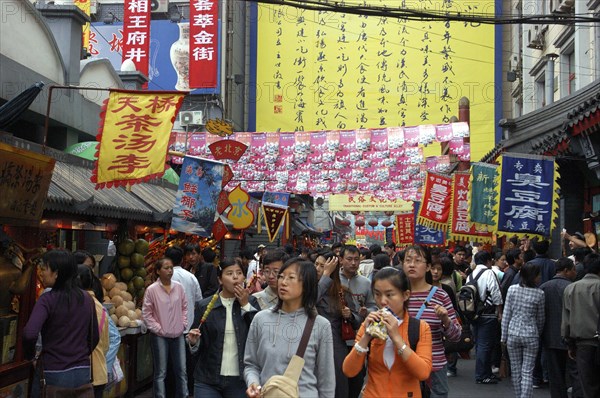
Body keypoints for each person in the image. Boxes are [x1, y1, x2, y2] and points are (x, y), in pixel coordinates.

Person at [244, 259, 335, 397]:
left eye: (291, 277)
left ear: (306, 285)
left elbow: (326, 381)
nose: (283, 282)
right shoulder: (260, 319)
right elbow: (251, 364)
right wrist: (253, 383)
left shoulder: (321, 325)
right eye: (281, 276)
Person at [343, 267, 432, 397]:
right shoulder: (369, 325)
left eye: (389, 295)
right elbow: (349, 371)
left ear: (405, 295)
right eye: (377, 294)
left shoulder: (420, 328)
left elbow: (423, 373)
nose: (382, 301)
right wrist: (366, 338)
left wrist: (397, 339)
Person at [24, 250, 99, 390]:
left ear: (56, 273)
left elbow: (30, 333)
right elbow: (94, 336)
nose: (41, 273)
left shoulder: (47, 299)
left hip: (53, 372)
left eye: (45, 268)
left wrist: (31, 357)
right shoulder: (87, 298)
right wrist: (80, 354)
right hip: (82, 371)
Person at [186, 258, 259, 397]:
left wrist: (244, 305)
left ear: (244, 277)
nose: (235, 277)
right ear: (220, 279)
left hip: (240, 379)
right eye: (229, 273)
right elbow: (196, 342)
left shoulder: (252, 302)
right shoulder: (205, 305)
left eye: (239, 273)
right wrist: (193, 342)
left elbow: (259, 333)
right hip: (208, 378)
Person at [402, 245, 461, 397]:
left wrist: (446, 320)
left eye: (417, 260)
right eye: (408, 260)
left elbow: (456, 336)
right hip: (403, 368)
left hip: (434, 369)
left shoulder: (441, 295)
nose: (412, 264)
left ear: (428, 266)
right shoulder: (396, 295)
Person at [316, 251, 361, 398]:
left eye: (322, 266)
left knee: (338, 387)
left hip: (336, 346)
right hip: (312, 344)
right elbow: (308, 303)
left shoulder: (342, 292)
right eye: (316, 264)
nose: (317, 268)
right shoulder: (307, 290)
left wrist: (351, 315)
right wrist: (324, 278)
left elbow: (358, 320)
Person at [142, 258, 188, 398]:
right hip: (160, 336)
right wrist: (158, 329)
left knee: (181, 370)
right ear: (157, 271)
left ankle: (183, 395)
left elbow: (184, 307)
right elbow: (146, 313)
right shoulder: (152, 290)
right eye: (166, 268)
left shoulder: (178, 287)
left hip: (178, 334)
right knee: (161, 371)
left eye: (171, 268)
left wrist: (183, 324)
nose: (169, 271)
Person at [539, 257, 582, 398]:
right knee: (575, 372)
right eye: (573, 269)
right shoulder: (572, 288)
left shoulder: (544, 287)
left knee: (555, 374)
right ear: (566, 271)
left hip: (550, 337)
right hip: (571, 336)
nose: (575, 272)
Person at [501, 262, 545, 398]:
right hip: (531, 335)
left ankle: (519, 395)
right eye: (538, 274)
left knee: (516, 370)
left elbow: (506, 314)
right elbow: (541, 318)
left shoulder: (512, 290)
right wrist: (538, 332)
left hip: (513, 333)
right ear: (533, 276)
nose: (540, 277)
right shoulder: (540, 293)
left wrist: (503, 337)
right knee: (527, 371)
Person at [339, 245, 378, 398]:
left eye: (356, 259)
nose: (353, 263)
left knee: (357, 377)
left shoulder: (366, 283)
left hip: (359, 338)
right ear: (341, 260)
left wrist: (366, 312)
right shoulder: (332, 280)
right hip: (338, 338)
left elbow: (374, 306)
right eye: (349, 259)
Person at [562, 252, 600, 398]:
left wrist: (569, 344)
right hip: (594, 340)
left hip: (582, 343)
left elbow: (566, 321)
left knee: (587, 384)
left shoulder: (571, 288)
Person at [166, 245, 202, 395]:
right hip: (186, 331)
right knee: (185, 367)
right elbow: (199, 301)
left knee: (168, 368)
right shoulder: (190, 277)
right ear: (182, 259)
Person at [469, 250, 503, 385]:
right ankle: (482, 375)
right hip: (487, 314)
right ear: (488, 261)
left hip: (474, 314)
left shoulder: (471, 275)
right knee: (485, 345)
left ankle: (485, 373)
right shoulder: (489, 273)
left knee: (480, 344)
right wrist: (499, 311)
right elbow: (495, 292)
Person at [77, 265, 109, 398]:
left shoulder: (80, 305)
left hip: (83, 374)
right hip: (99, 372)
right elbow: (106, 345)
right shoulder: (100, 307)